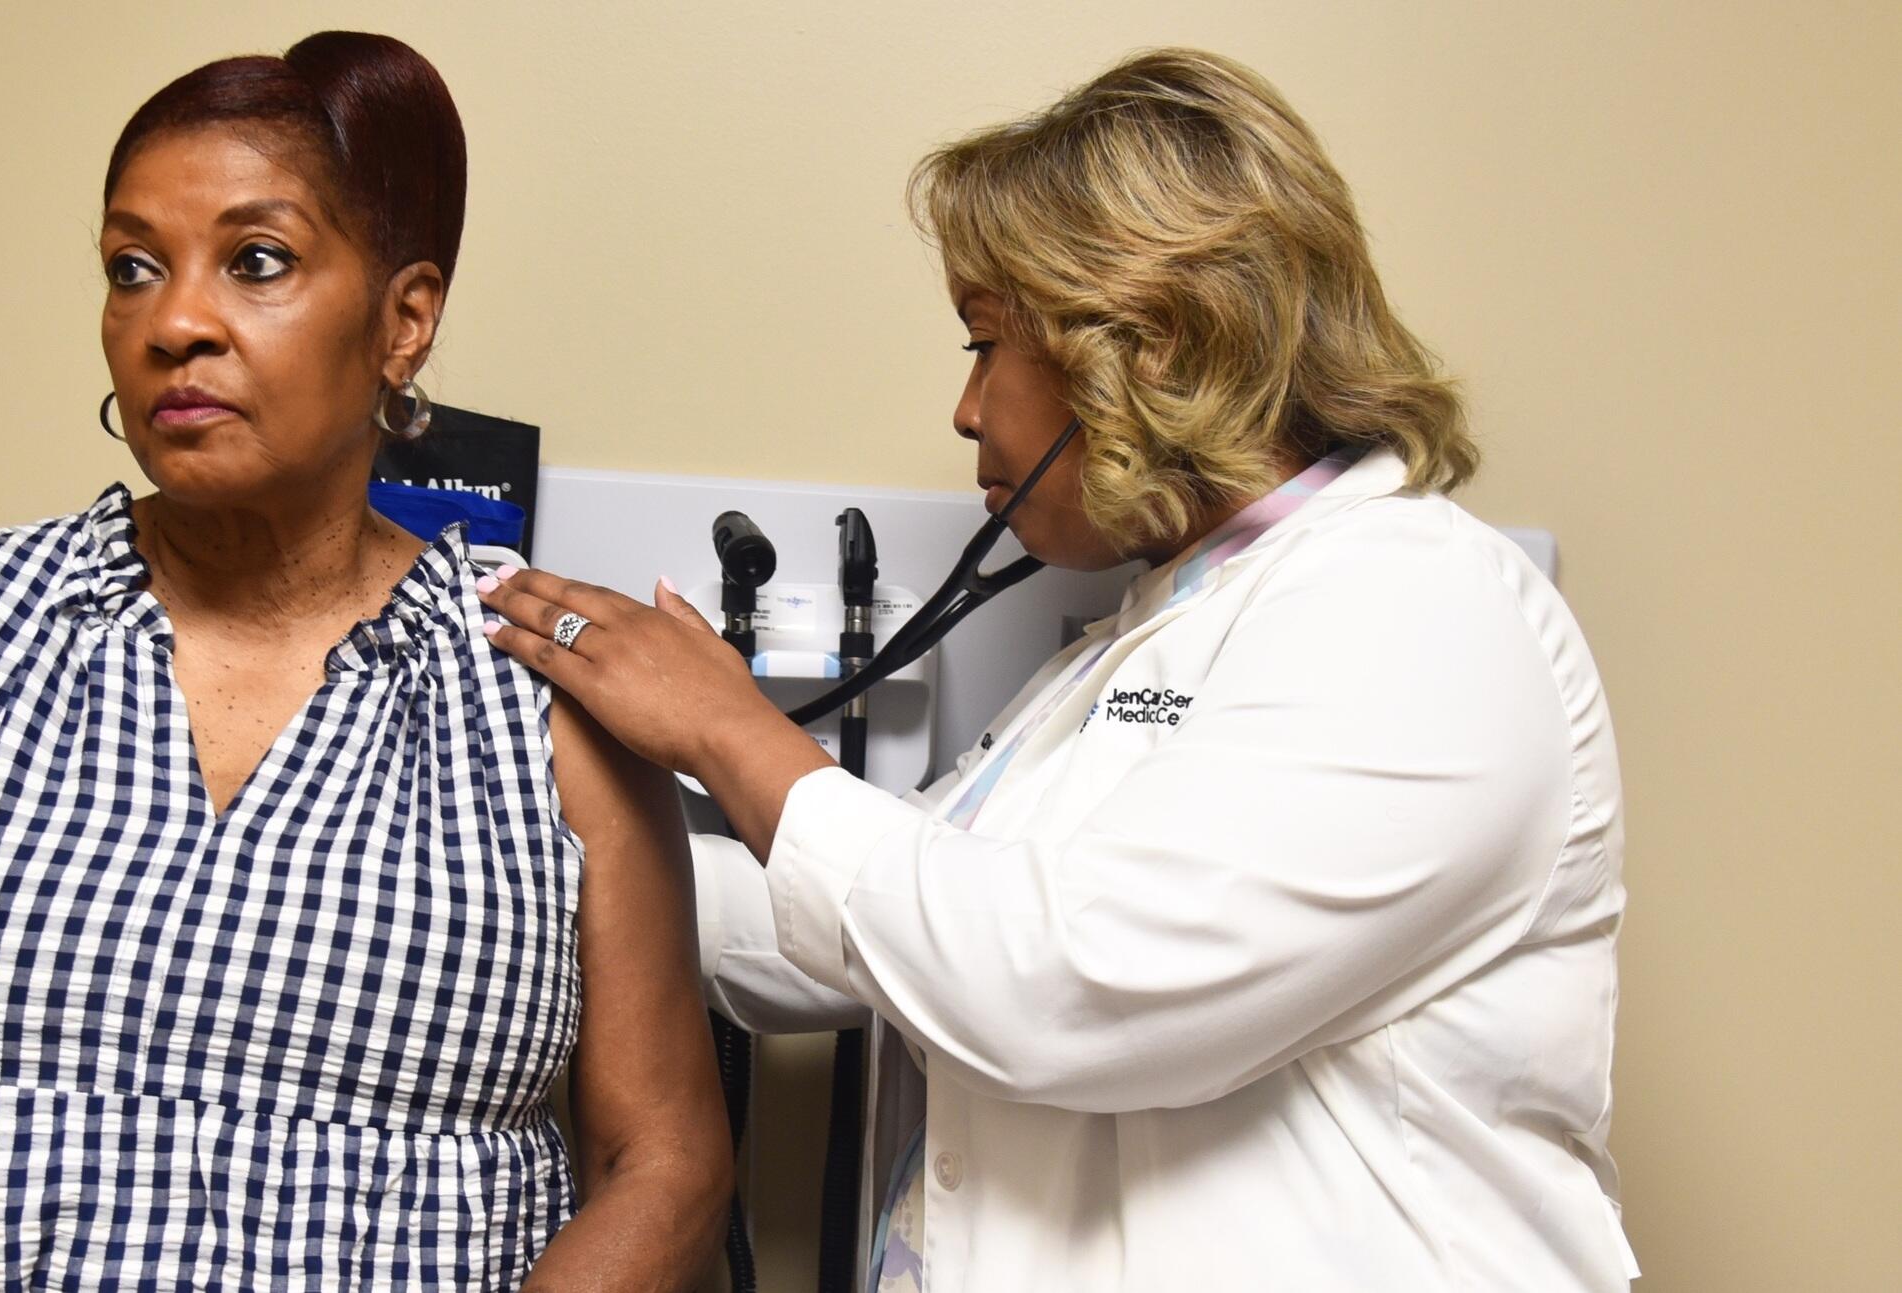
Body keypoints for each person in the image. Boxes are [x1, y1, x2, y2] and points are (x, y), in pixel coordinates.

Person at [477, 48, 1637, 1291]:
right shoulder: (1127, 650)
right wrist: (516, 864)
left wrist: (726, 730)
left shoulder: (1421, 608)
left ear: (1141, 345)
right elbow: (863, 931)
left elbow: (1063, 986)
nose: (968, 411)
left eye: (986, 344)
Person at [0, 32, 729, 1291]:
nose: (174, 322)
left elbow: (667, 1165)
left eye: (257, 262)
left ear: (404, 320)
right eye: (132, 268)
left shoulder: (539, 698)